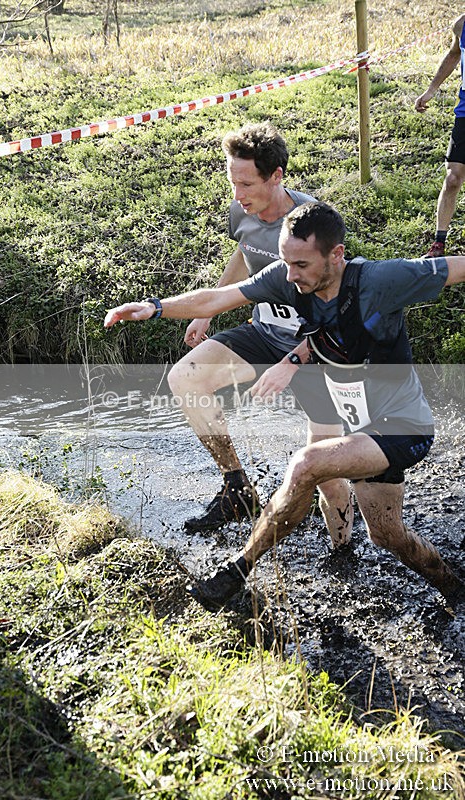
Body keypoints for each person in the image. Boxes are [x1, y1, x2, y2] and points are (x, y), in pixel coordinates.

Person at [104, 201, 465, 615]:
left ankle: (237, 571)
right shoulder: (288, 277)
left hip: (403, 426)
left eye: (302, 264)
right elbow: (218, 299)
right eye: (286, 262)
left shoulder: (382, 280)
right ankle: (454, 588)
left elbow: (456, 268)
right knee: (387, 536)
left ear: (336, 255)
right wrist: (156, 307)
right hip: (359, 429)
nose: (291, 275)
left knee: (307, 463)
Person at [166, 122, 353, 547]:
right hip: (265, 333)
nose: (238, 194)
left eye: (247, 183)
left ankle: (343, 549)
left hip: (315, 348)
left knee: (325, 469)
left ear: (276, 176)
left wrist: (295, 360)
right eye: (232, 182)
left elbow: (340, 304)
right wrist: (210, 309)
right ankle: (237, 489)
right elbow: (244, 250)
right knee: (186, 378)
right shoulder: (242, 211)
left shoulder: (312, 222)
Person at [415, 14, 465, 258]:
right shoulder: (461, 25)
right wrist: (431, 90)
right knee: (453, 178)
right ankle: (438, 244)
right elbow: (454, 54)